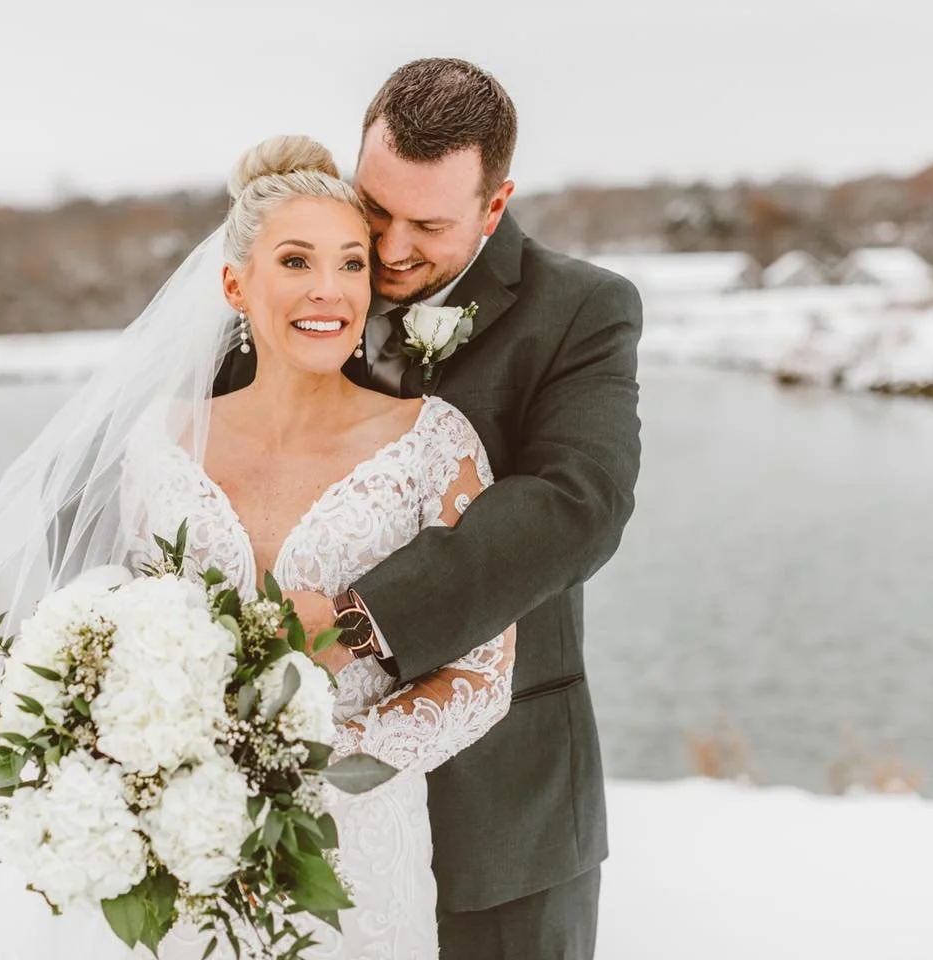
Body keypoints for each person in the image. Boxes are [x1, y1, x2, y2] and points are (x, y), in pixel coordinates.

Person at [0, 134, 517, 959]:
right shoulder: (158, 446)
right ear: (234, 284)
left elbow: (482, 677)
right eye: (295, 262)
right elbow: (112, 631)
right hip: (186, 852)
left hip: (360, 853)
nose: (328, 289)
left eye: (351, 264)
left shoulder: (434, 443)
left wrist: (309, 762)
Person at [215, 58, 643, 959]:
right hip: (278, 824)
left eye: (430, 225)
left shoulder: (581, 309)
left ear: (495, 205)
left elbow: (578, 504)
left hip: (507, 815)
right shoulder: (285, 299)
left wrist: (359, 620)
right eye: (378, 211)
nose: (391, 248)